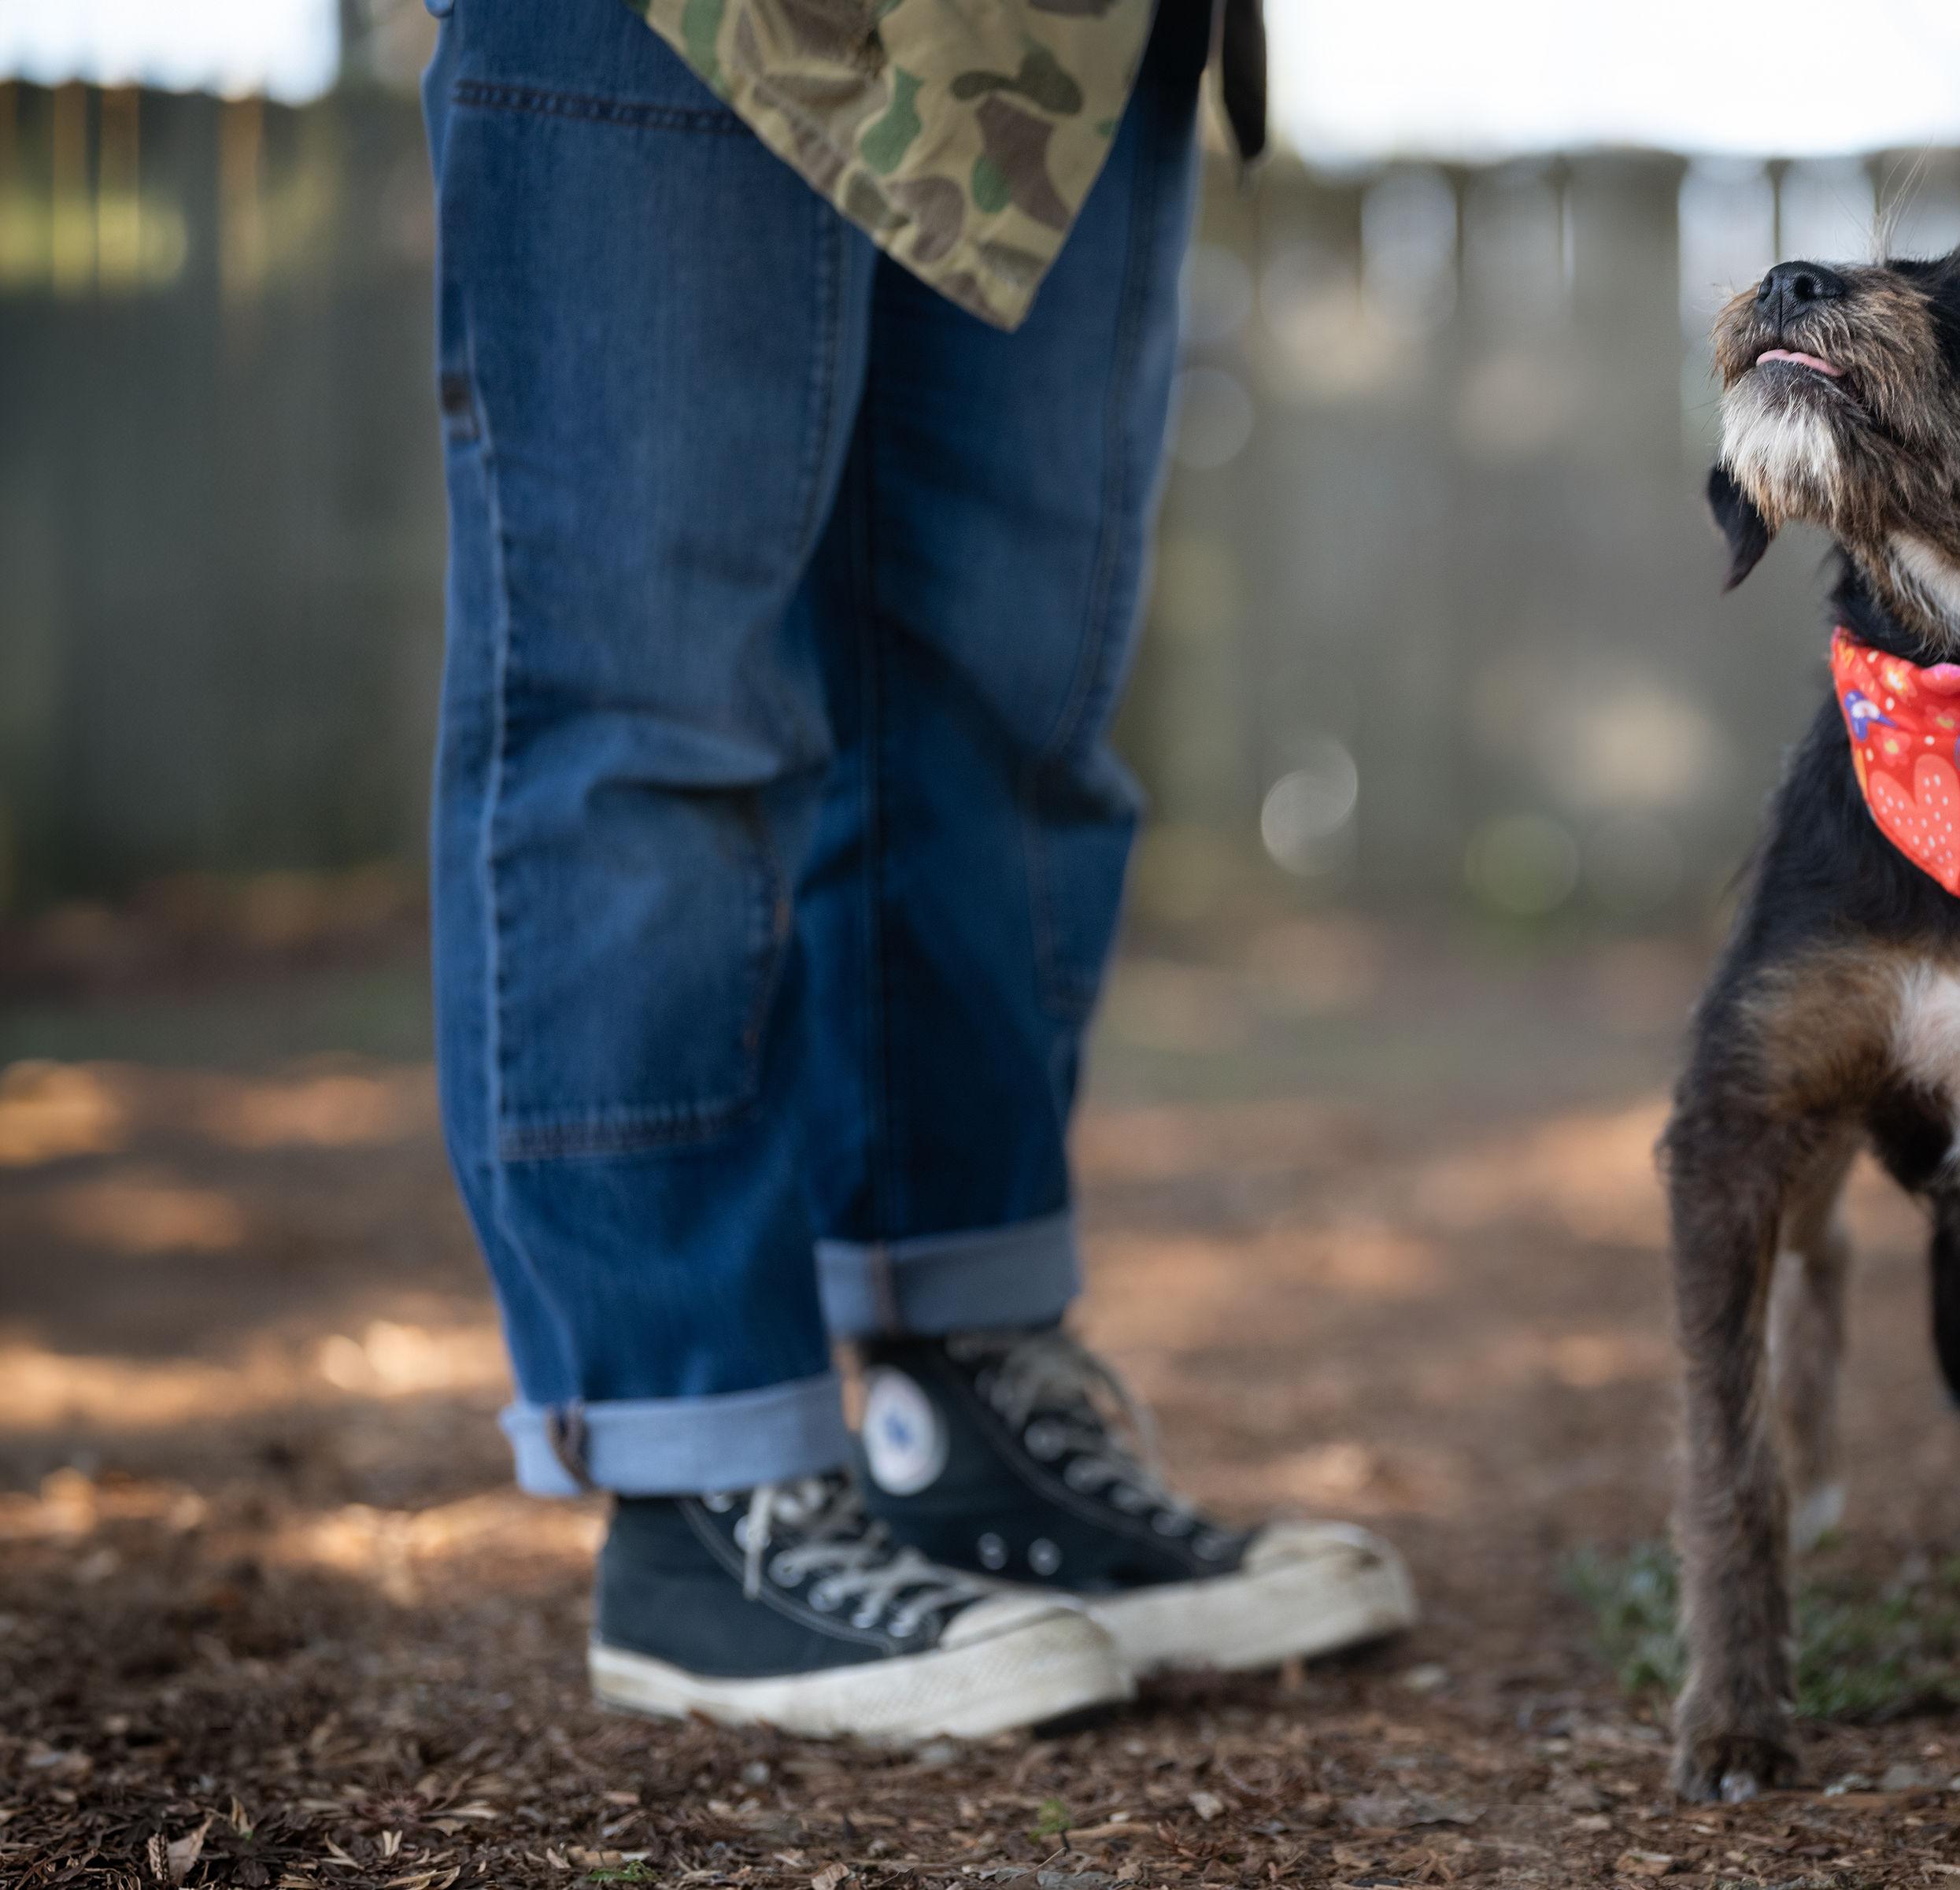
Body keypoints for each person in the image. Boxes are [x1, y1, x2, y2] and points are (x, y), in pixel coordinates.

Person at [418, 0, 1412, 1741]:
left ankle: (966, 1409)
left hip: (1062, 35)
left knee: (992, 709)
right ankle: (701, 1479)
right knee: (647, 695)